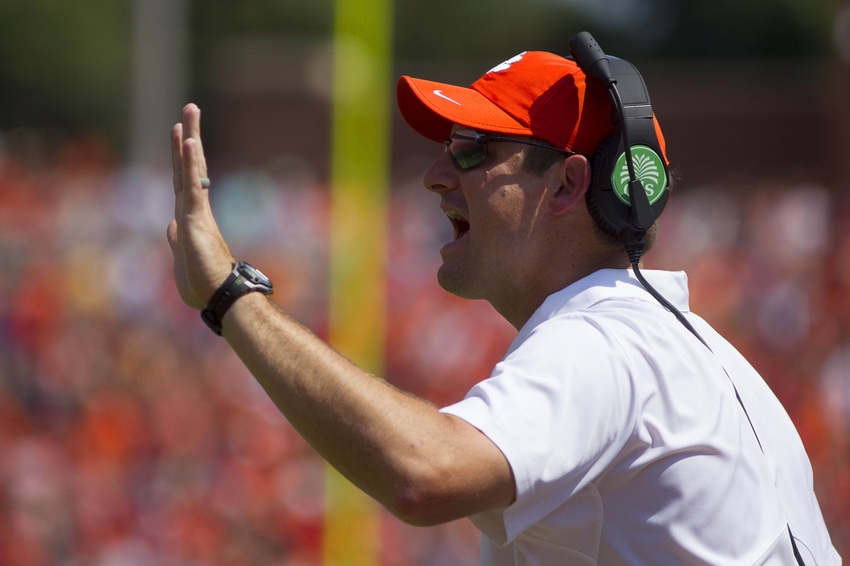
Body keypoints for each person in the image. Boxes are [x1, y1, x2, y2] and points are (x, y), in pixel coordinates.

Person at [168, 47, 841, 565]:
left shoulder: (602, 340)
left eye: (472, 150)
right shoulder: (681, 346)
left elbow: (421, 473)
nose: (435, 174)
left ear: (570, 184)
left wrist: (232, 295)